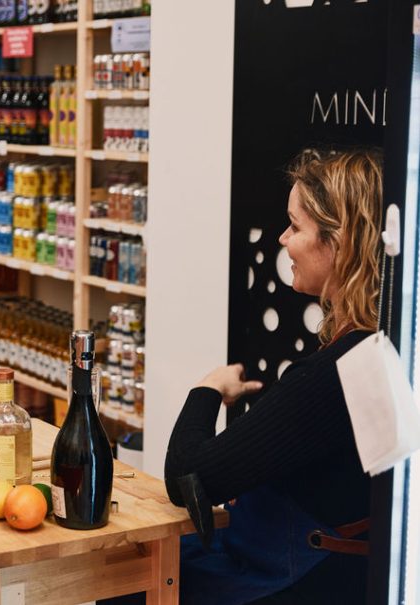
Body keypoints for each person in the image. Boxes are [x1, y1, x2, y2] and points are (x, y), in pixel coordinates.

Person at [164, 149, 382, 604]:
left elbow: (189, 477)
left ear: (339, 242)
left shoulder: (334, 375)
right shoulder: (378, 347)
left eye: (295, 226)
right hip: (327, 574)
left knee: (128, 577)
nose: (283, 239)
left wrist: (207, 389)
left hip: (300, 582)